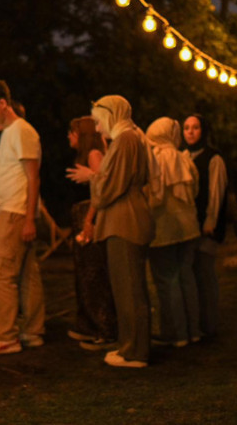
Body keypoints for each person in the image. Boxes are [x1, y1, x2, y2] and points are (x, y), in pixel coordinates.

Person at [67, 95, 156, 368]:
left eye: (97, 121)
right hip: (123, 218)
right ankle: (128, 345)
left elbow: (108, 188)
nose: (96, 128)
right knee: (124, 288)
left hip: (125, 220)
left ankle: (135, 351)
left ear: (111, 115)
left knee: (130, 289)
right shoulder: (128, 139)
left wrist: (92, 177)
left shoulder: (126, 140)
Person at [0, 79, 45, 355]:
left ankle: (7, 337)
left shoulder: (21, 131)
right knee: (27, 274)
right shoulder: (12, 132)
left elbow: (33, 177)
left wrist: (28, 219)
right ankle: (33, 332)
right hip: (14, 211)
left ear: (3, 103)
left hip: (16, 213)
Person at [145, 117, 202, 347]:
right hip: (189, 228)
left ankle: (176, 333)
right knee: (187, 278)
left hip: (163, 230)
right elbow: (195, 190)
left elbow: (149, 195)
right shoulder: (185, 159)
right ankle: (194, 330)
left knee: (167, 281)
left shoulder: (154, 160)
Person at [64, 116, 118, 350]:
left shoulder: (94, 154)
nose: (69, 136)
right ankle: (88, 325)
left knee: (94, 275)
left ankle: (105, 329)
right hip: (82, 217)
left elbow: (99, 191)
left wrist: (89, 220)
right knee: (85, 274)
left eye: (72, 132)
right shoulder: (87, 155)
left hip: (89, 219)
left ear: (82, 135)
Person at [182, 114, 228, 339]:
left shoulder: (214, 158)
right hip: (188, 225)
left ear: (204, 130)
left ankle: (209, 323)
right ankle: (196, 322)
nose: (190, 132)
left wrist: (210, 221)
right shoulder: (182, 156)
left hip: (206, 226)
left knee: (205, 274)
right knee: (192, 275)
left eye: (196, 127)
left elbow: (216, 192)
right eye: (187, 127)